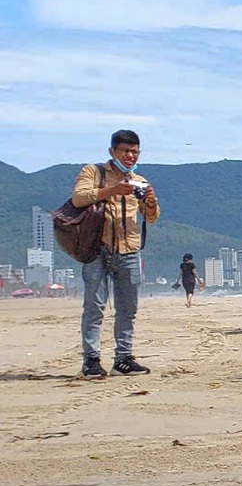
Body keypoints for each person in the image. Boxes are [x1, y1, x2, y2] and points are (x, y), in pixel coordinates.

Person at [74, 129, 161, 378]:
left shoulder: (140, 180)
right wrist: (111, 190)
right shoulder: (93, 172)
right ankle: (91, 360)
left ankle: (123, 358)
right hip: (97, 249)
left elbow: (152, 218)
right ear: (113, 151)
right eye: (125, 151)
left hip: (129, 250)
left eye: (135, 151)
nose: (130, 156)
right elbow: (79, 198)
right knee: (94, 306)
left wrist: (151, 201)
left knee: (128, 308)